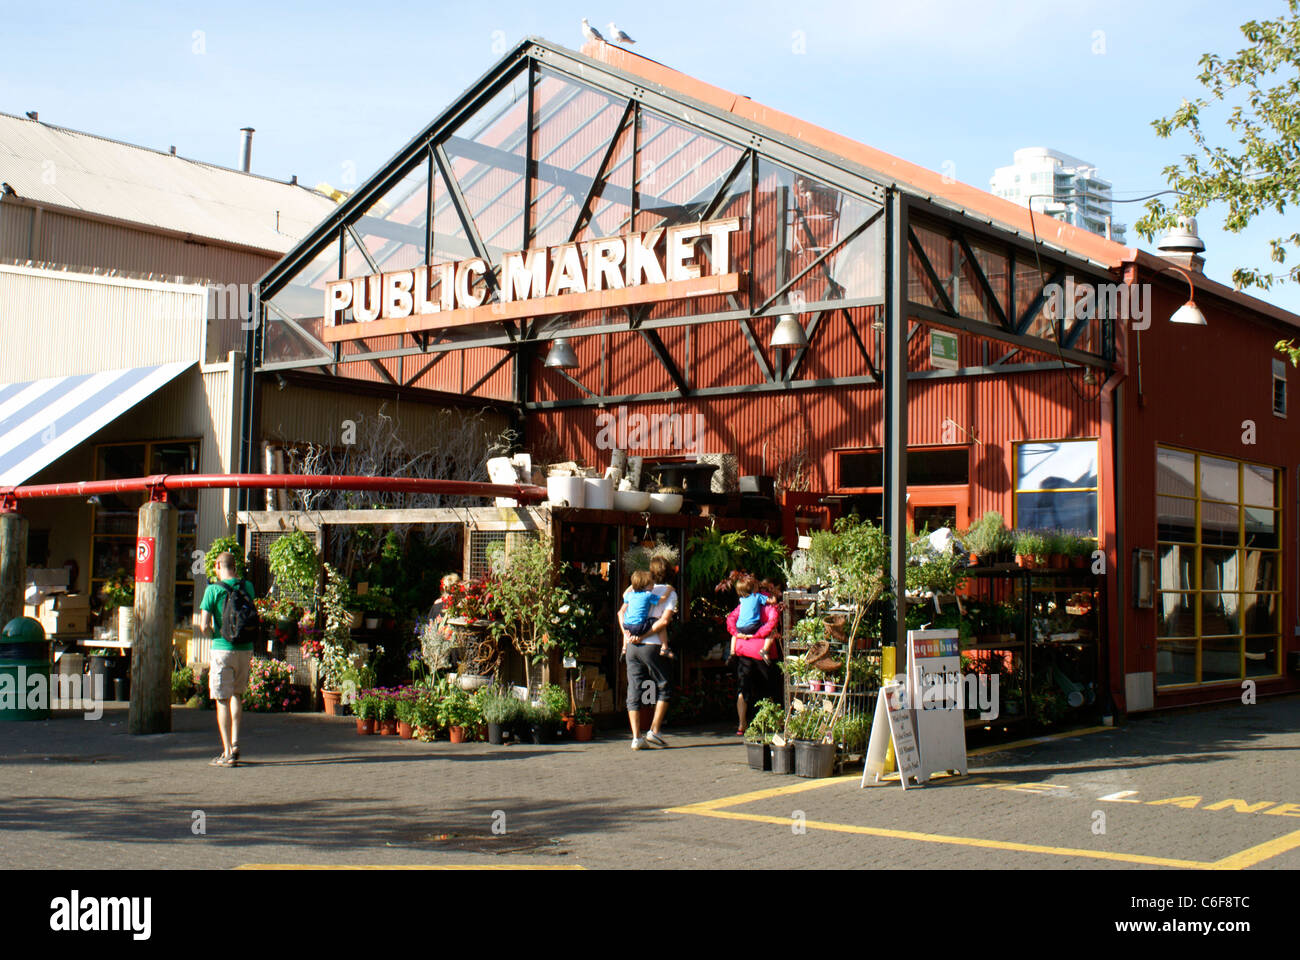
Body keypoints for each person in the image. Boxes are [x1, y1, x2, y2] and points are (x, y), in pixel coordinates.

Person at [198, 552, 258, 767]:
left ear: (217, 566)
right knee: (237, 696)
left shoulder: (212, 590)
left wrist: (213, 636)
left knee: (221, 699)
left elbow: (204, 625)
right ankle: (235, 743)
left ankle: (226, 753)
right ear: (235, 567)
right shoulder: (247, 587)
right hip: (245, 649)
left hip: (222, 650)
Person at [620, 556, 677, 750]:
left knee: (634, 688)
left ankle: (636, 737)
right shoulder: (669, 593)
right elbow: (664, 621)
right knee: (663, 685)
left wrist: (627, 635)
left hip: (632, 646)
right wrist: (645, 635)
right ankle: (654, 730)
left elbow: (621, 612)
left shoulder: (634, 589)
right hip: (652, 645)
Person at [727, 578, 781, 736]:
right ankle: (770, 722)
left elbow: (731, 619)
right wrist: (759, 634)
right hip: (760, 650)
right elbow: (773, 621)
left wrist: (737, 634)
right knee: (768, 686)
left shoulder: (742, 602)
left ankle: (741, 723)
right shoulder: (765, 603)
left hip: (742, 648)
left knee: (743, 687)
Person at [621, 570, 658, 638]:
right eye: (651, 584)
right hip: (638, 627)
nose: (653, 585)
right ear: (645, 585)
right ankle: (665, 646)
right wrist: (669, 591)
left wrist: (634, 584)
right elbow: (661, 600)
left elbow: (624, 595)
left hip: (626, 626)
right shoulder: (648, 595)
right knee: (657, 621)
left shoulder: (630, 595)